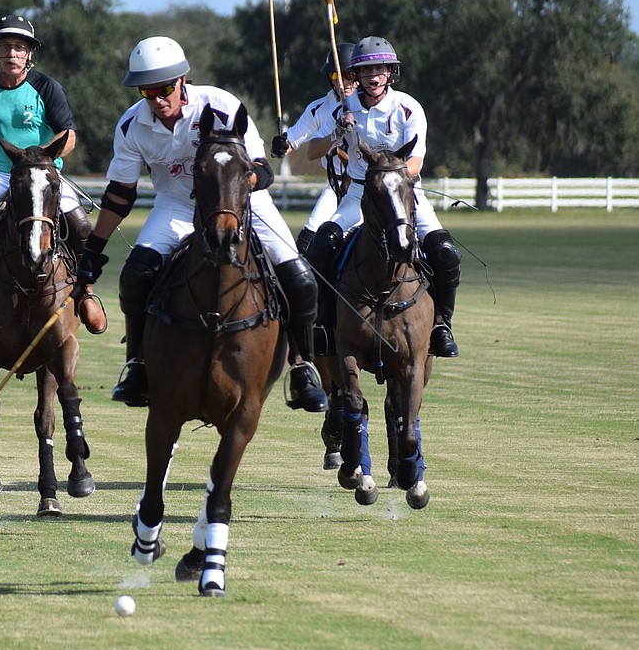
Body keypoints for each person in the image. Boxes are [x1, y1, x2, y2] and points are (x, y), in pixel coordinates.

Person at [72, 36, 328, 412]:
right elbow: (119, 196)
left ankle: (303, 366)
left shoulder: (221, 105)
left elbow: (262, 170)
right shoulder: (131, 126)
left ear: (182, 80)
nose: (157, 100)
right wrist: (93, 252)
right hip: (177, 206)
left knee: (300, 278)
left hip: (242, 203)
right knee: (134, 275)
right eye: (147, 91)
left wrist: (235, 185)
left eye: (164, 89)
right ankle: (137, 364)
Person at [0, 14, 106, 335]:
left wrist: (45, 158)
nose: (11, 54)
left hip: (41, 174)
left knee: (83, 228)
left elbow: (68, 134)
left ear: (29, 53)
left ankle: (86, 293)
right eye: (4, 47)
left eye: (19, 47)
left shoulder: (46, 87)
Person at [305, 36, 462, 357]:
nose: (373, 76)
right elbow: (312, 151)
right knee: (321, 245)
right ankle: (322, 325)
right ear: (357, 75)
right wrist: (337, 131)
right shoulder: (343, 108)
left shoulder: (408, 107)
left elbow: (416, 162)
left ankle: (442, 325)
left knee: (445, 252)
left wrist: (389, 177)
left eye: (380, 69)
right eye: (366, 71)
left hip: (404, 193)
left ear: (391, 72)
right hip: (358, 195)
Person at [270, 42, 359, 254]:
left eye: (350, 75)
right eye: (337, 76)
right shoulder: (319, 109)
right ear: (330, 78)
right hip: (336, 186)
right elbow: (292, 141)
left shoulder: (370, 105)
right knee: (306, 242)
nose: (344, 82)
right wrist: (280, 145)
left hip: (365, 185)